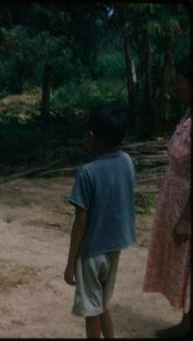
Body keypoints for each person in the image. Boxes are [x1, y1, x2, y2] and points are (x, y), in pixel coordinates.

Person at [64, 106, 136, 338]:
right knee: (102, 302)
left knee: (91, 311)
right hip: (115, 247)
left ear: (92, 136)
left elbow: (81, 221)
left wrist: (70, 262)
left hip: (91, 252)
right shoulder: (127, 161)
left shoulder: (87, 173)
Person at [143, 55, 191, 338]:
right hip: (176, 201)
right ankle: (188, 322)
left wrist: (186, 217)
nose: (177, 87)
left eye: (181, 82)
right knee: (185, 266)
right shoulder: (188, 115)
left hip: (186, 206)